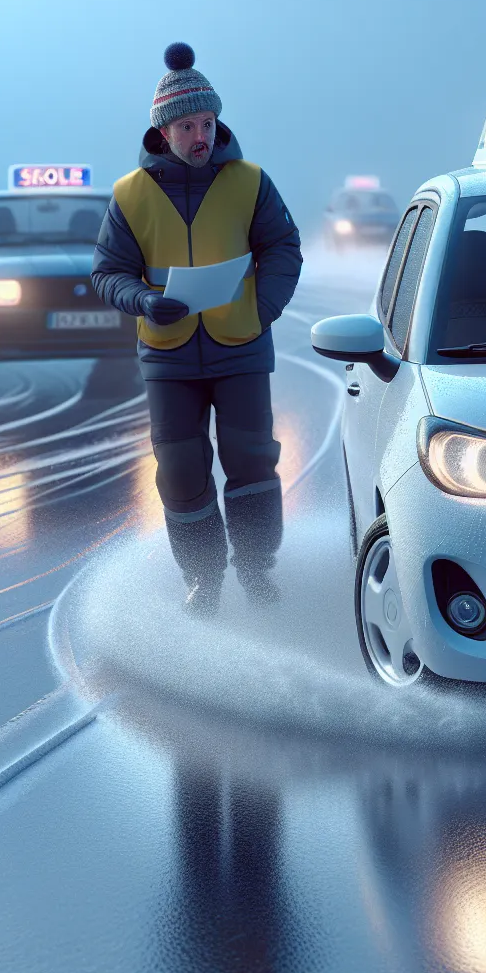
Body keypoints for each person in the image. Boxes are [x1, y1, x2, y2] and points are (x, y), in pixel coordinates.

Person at [92, 42, 302, 615]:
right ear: (163, 132)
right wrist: (141, 299)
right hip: (169, 356)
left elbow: (282, 247)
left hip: (242, 347)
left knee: (251, 458)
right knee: (181, 470)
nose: (200, 135)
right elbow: (108, 273)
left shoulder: (251, 182)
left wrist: (265, 310)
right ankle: (204, 577)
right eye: (186, 126)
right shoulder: (128, 196)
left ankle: (258, 570)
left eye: (206, 122)